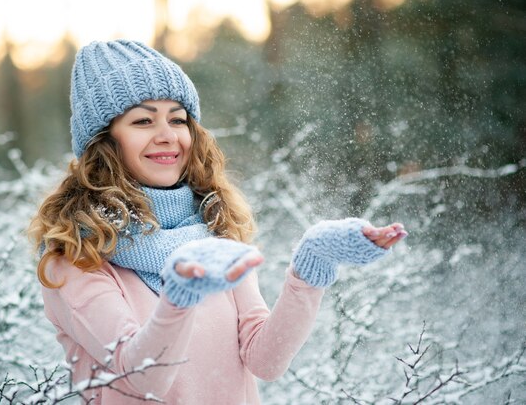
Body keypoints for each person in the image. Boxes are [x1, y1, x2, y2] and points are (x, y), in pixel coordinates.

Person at [28, 39, 408, 404]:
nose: (167, 136)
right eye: (143, 121)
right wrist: (179, 296)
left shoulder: (212, 228)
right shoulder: (76, 253)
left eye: (178, 120)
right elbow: (141, 377)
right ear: (104, 143)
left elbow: (265, 360)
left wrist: (314, 261)